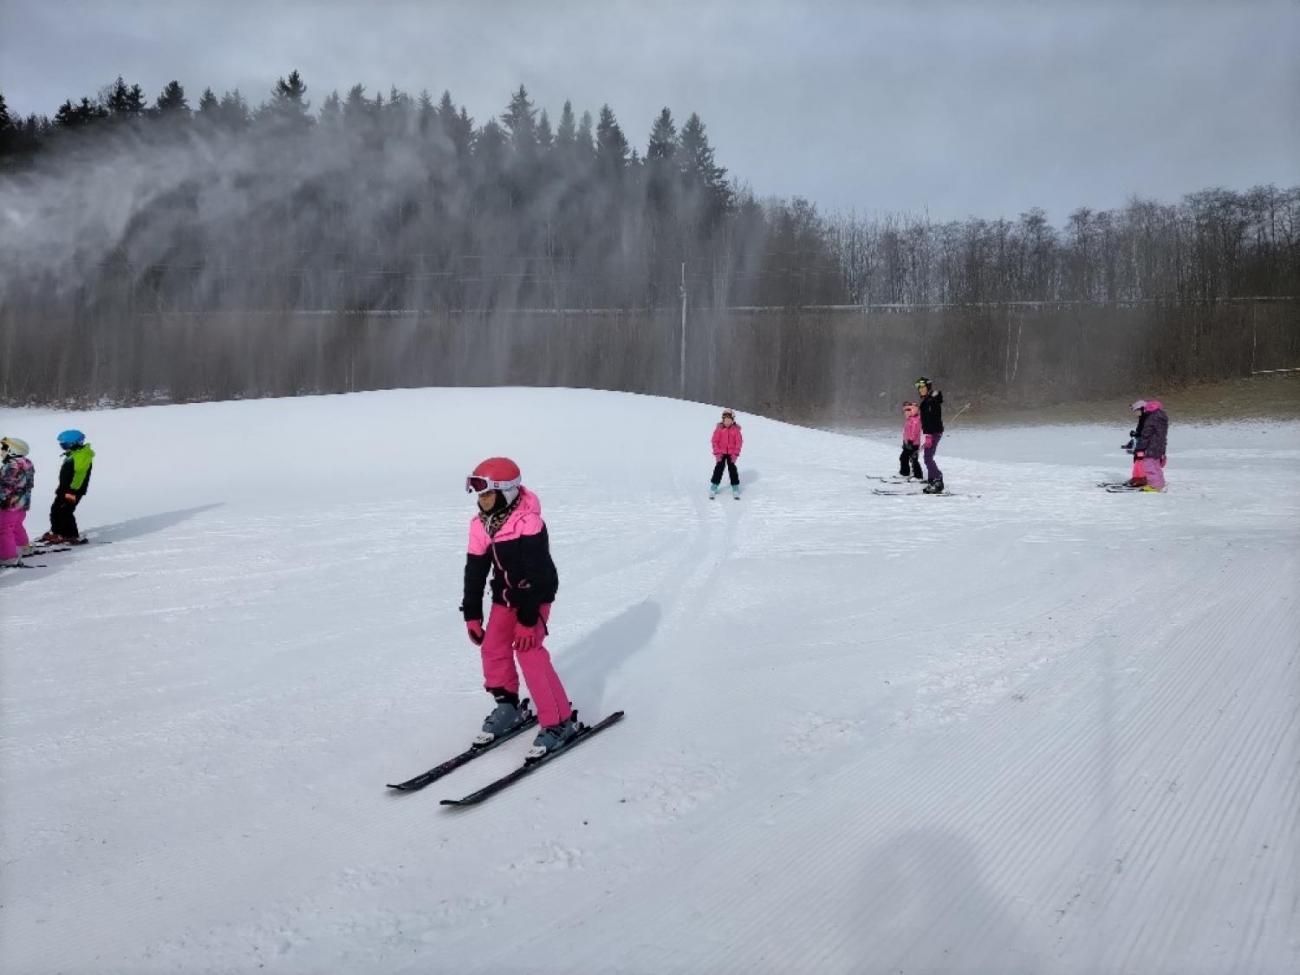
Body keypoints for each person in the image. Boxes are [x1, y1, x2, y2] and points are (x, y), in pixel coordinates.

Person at [460, 456, 579, 759]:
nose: (482, 500)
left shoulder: (529, 521)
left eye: (487, 493)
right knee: (493, 647)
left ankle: (559, 721)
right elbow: (475, 571)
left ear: (506, 492)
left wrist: (528, 620)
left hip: (535, 597)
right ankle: (507, 707)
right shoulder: (481, 525)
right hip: (506, 596)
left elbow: (538, 576)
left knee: (528, 651)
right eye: (479, 494)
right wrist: (473, 614)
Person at [38, 429, 94, 544]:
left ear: (75, 443)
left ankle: (71, 536)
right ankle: (57, 532)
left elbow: (79, 475)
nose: (63, 447)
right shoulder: (74, 454)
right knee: (56, 509)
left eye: (65, 445)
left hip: (72, 490)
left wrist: (70, 491)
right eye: (62, 445)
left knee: (65, 511)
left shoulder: (81, 456)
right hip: (65, 489)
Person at [1, 437, 35, 568]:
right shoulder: (27, 463)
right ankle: (23, 548)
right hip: (21, 504)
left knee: (4, 530)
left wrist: (2, 498)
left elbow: (5, 486)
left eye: (4, 448)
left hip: (9, 504)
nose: (1, 451)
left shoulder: (12, 465)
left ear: (12, 450)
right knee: (16, 526)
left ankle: (8, 557)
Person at [1127, 399, 1169, 491]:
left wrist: (1140, 448)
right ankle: (1159, 484)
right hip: (1158, 445)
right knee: (1155, 466)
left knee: (1150, 466)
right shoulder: (1160, 416)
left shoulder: (1151, 418)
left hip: (1151, 446)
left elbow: (1146, 434)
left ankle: (1155, 486)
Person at [915, 378, 945, 493]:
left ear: (928, 388)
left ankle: (937, 481)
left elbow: (930, 420)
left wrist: (929, 435)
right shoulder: (928, 400)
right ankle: (932, 478)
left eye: (923, 388)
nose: (921, 390)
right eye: (920, 388)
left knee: (928, 458)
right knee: (928, 457)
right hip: (932, 432)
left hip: (933, 432)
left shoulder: (930, 401)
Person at [710, 408, 744, 500]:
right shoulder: (719, 429)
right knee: (719, 469)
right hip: (721, 452)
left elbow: (739, 443)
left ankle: (735, 488)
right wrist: (717, 453)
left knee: (732, 469)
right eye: (726, 420)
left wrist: (735, 454)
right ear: (723, 420)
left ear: (733, 420)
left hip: (731, 453)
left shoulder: (736, 430)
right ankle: (714, 487)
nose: (727, 422)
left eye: (729, 420)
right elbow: (714, 441)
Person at [899, 402, 923, 480]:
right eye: (905, 411)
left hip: (913, 443)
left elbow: (914, 432)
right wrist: (905, 442)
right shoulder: (909, 419)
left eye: (908, 410)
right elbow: (907, 432)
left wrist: (910, 441)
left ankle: (917, 475)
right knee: (906, 458)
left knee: (911, 458)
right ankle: (906, 473)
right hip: (908, 443)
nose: (906, 413)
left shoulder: (915, 420)